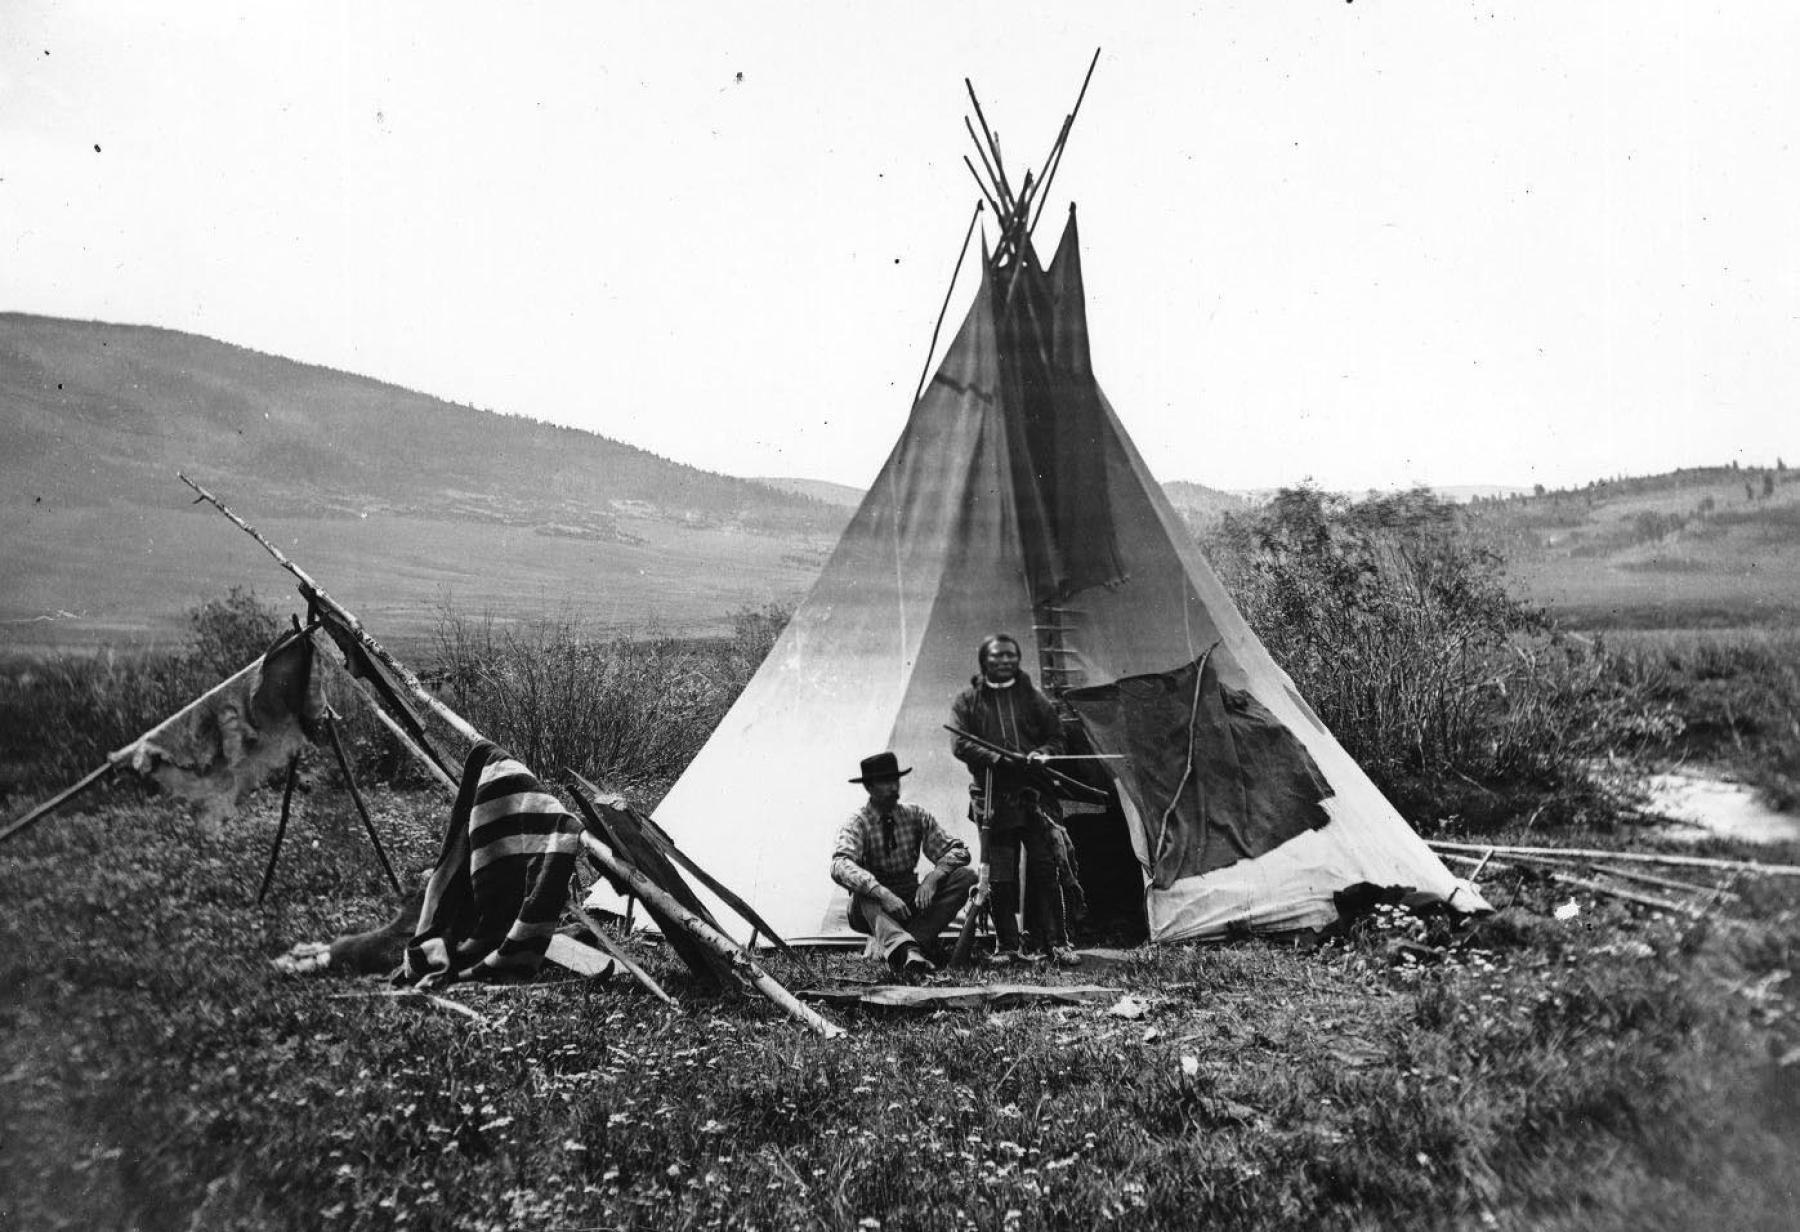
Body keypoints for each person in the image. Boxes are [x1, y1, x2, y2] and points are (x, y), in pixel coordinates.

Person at [950, 634, 1081, 967]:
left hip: (1033, 798)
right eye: (996, 657)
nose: (1004, 661)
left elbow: (1057, 737)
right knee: (1001, 875)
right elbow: (960, 744)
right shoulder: (968, 701)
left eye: (1010, 656)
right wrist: (997, 757)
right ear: (984, 661)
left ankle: (1058, 943)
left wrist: (1042, 754)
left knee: (1046, 866)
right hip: (993, 799)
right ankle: (1007, 945)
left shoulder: (1032, 698)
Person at [830, 751, 976, 979]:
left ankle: (904, 945)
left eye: (895, 780)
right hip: (872, 906)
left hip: (910, 898)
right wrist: (881, 892)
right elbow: (839, 864)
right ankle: (908, 949)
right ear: (869, 787)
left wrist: (933, 877)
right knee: (865, 894)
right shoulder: (858, 823)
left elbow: (959, 851)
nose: (893, 787)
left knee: (965, 877)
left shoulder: (915, 815)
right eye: (885, 782)